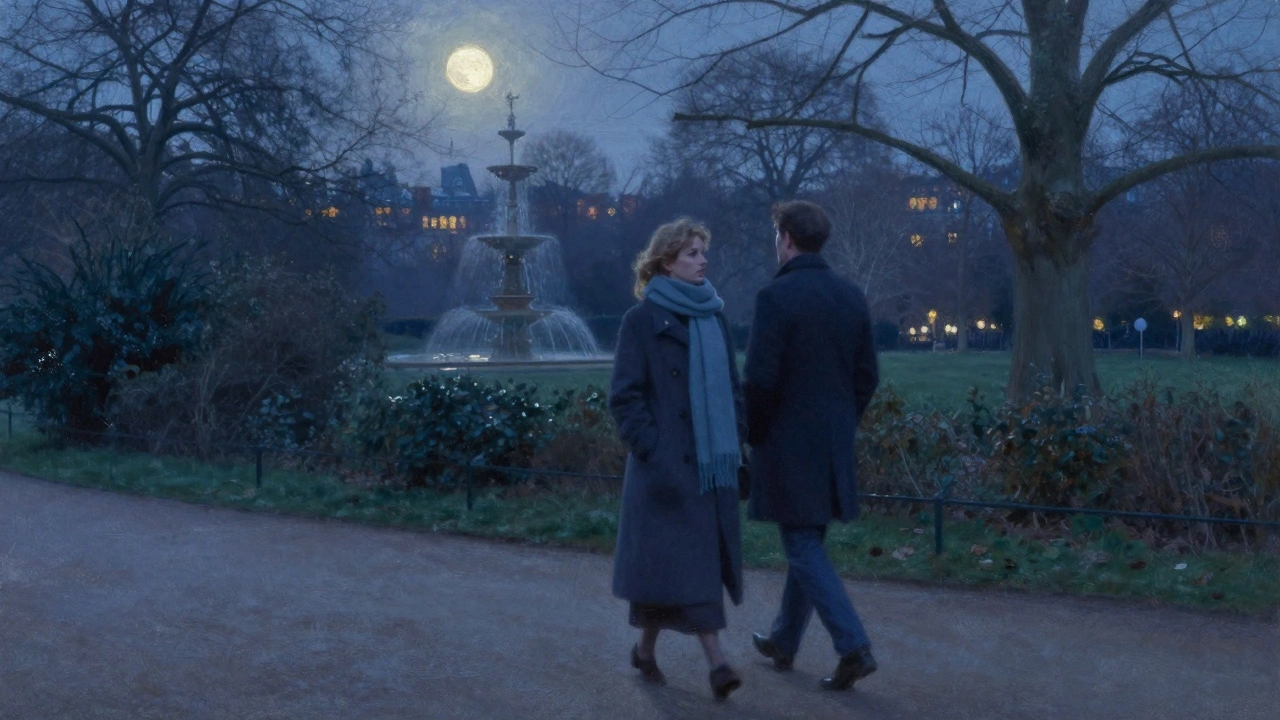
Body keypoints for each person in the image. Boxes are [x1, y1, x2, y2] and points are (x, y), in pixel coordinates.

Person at [743, 200, 880, 691]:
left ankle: (853, 646)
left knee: (801, 543)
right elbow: (867, 376)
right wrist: (841, 421)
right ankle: (784, 639)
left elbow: (759, 380)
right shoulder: (850, 295)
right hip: (832, 440)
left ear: (785, 238)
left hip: (787, 440)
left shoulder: (776, 297)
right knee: (808, 541)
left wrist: (755, 433)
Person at [608, 217, 746, 701]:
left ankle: (645, 651)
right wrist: (655, 450)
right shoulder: (640, 321)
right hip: (664, 472)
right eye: (692, 253)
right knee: (683, 566)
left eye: (703, 251)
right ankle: (719, 663)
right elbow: (625, 398)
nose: (702, 260)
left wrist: (737, 445)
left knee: (680, 568)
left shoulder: (714, 317)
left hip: (710, 466)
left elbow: (733, 389)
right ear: (666, 262)